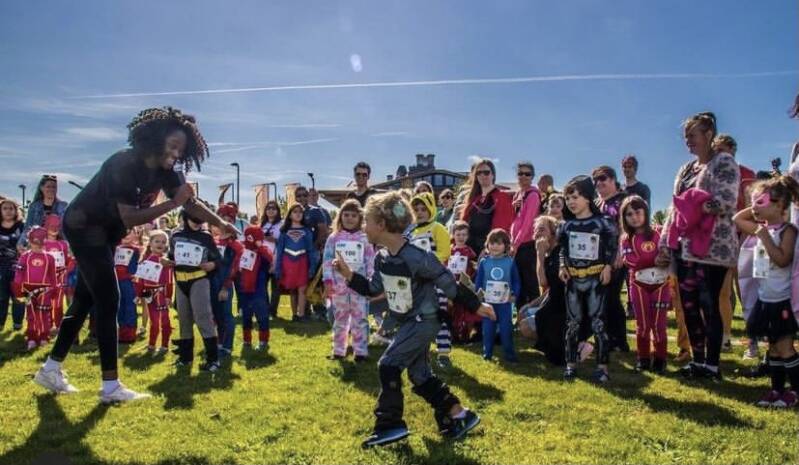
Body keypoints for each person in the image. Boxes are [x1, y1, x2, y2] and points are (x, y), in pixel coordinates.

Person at [34, 106, 237, 403]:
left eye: (182, 149)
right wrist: (173, 204)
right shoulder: (123, 164)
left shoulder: (166, 172)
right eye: (173, 146)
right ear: (155, 139)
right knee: (108, 300)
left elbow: (189, 203)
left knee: (84, 300)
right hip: (84, 227)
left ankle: (50, 369)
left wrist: (220, 223)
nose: (177, 154)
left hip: (105, 234)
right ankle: (110, 386)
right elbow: (131, 218)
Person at [331, 191, 495, 447]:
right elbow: (373, 289)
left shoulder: (417, 256)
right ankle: (459, 415)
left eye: (367, 221)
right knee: (419, 376)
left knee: (388, 364)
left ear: (382, 225)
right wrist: (348, 274)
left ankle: (390, 424)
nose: (364, 226)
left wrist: (476, 304)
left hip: (425, 320)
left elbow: (445, 279)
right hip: (409, 322)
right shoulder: (382, 257)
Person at [657, 111, 740, 381]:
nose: (688, 141)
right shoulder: (685, 169)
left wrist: (696, 207)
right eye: (685, 137)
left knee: (708, 303)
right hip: (685, 247)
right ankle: (698, 359)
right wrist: (665, 243)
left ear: (708, 135)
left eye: (692, 135)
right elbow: (674, 207)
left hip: (712, 247)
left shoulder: (723, 162)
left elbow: (726, 201)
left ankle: (713, 365)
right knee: (688, 304)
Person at [734, 175, 799, 408]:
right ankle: (776, 390)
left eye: (760, 202)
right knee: (772, 348)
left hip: (782, 301)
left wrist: (763, 235)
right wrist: (757, 209)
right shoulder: (761, 228)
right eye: (752, 202)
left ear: (780, 204)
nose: (753, 208)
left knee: (785, 347)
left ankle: (795, 391)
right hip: (765, 300)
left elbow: (783, 259)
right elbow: (737, 218)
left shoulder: (787, 231)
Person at [559, 176, 617, 383]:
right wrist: (561, 266)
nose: (571, 202)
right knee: (572, 324)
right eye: (567, 198)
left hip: (596, 278)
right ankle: (570, 364)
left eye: (575, 197)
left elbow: (612, 247)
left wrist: (609, 266)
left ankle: (602, 367)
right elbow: (563, 250)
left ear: (588, 197)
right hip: (574, 280)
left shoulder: (603, 223)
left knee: (598, 323)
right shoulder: (566, 225)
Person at [620, 196, 671, 373]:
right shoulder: (626, 239)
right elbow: (630, 261)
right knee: (642, 324)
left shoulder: (659, 232)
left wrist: (663, 258)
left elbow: (668, 252)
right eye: (629, 214)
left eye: (638, 212)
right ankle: (642, 358)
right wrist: (654, 260)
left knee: (659, 324)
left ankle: (660, 359)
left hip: (661, 285)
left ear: (646, 212)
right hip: (639, 285)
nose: (634, 217)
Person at [168, 209, 223, 371]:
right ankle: (186, 358)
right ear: (185, 217)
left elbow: (218, 259)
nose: (197, 223)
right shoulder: (175, 235)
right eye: (194, 219)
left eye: (200, 220)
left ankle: (213, 360)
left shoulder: (206, 236)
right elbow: (172, 255)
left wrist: (212, 265)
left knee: (203, 317)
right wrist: (166, 260)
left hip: (199, 279)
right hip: (180, 280)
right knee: (184, 319)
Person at [322, 199, 375, 361]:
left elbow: (370, 260)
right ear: (340, 216)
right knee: (340, 319)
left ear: (360, 218)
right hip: (339, 287)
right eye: (346, 214)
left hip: (359, 287)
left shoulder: (364, 238)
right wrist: (328, 282)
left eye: (353, 215)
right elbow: (327, 260)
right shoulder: (334, 238)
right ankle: (338, 351)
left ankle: (361, 352)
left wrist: (371, 281)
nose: (349, 218)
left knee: (360, 319)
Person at [408, 192, 454, 369]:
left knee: (439, 317)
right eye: (416, 209)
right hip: (418, 284)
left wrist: (426, 266)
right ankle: (421, 351)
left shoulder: (437, 228)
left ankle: (443, 353)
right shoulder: (410, 232)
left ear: (431, 209)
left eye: (423, 209)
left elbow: (444, 253)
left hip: (436, 282)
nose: (420, 213)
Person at [518, 215, 568, 365]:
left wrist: (539, 255)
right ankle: (553, 342)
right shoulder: (549, 253)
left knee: (526, 327)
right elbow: (551, 288)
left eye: (541, 229)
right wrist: (533, 303)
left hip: (562, 309)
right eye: (535, 230)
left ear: (553, 233)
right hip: (554, 301)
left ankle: (571, 345)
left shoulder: (559, 253)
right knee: (523, 312)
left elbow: (543, 281)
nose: (537, 234)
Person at [593, 165, 630, 352]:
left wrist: (621, 252)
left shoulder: (623, 201)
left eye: (603, 179)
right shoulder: (596, 203)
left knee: (611, 298)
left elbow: (625, 228)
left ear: (614, 180)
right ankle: (606, 337)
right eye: (596, 180)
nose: (599, 183)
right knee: (602, 299)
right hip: (597, 258)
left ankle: (620, 341)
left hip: (615, 256)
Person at [475, 228, 521, 362]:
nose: (495, 246)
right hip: (488, 303)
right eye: (492, 243)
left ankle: (510, 355)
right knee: (488, 330)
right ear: (487, 245)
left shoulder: (510, 262)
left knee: (506, 330)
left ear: (506, 246)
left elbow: (516, 281)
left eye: (499, 243)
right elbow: (479, 280)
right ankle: (487, 354)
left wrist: (515, 295)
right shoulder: (484, 262)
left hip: (505, 304)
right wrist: (478, 294)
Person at [14, 226, 57, 350]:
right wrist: (18, 287)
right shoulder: (24, 257)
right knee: (31, 314)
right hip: (28, 289)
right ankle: (32, 337)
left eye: (41, 242)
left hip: (45, 290)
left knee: (43, 314)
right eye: (34, 242)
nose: (37, 246)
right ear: (30, 241)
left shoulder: (50, 258)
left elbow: (52, 275)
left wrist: (54, 288)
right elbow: (19, 273)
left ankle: (44, 336)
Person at [460, 158, 514, 256]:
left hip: (490, 250)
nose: (482, 175)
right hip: (469, 250)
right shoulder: (473, 199)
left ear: (493, 175)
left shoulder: (502, 197)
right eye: (479, 173)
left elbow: (502, 228)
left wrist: (488, 248)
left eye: (486, 172)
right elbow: (463, 225)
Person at [274, 203, 319, 321]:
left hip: (302, 262)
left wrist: (312, 267)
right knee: (292, 290)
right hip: (287, 262)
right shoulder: (284, 231)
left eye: (300, 212)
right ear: (289, 215)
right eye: (295, 211)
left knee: (302, 289)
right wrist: (278, 267)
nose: (298, 214)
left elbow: (311, 250)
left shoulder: (307, 231)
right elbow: (279, 251)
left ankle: (301, 314)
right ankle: (294, 314)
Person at [211, 204, 243, 357]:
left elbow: (234, 269)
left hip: (225, 284)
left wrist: (225, 287)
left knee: (226, 315)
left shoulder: (236, 245)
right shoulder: (213, 242)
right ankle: (217, 343)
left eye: (228, 219)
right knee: (214, 315)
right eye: (221, 219)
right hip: (211, 284)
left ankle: (227, 346)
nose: (224, 223)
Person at [135, 229, 173, 354]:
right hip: (150, 296)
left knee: (166, 321)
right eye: (157, 241)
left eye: (163, 242)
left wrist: (168, 296)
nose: (160, 244)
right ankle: (151, 344)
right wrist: (139, 295)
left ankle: (164, 345)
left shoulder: (165, 262)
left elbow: (169, 282)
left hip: (162, 295)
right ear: (150, 243)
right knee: (155, 322)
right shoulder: (145, 262)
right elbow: (140, 281)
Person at [510, 161, 541, 308]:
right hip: (517, 244)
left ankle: (535, 318)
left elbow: (528, 222)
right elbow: (516, 220)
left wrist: (515, 244)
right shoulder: (518, 194)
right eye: (520, 173)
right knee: (518, 282)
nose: (523, 176)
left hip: (526, 245)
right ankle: (521, 315)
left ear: (532, 176)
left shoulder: (533, 195)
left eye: (527, 174)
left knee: (530, 283)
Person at [237, 226, 273, 351]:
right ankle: (247, 341)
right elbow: (236, 265)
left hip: (259, 290)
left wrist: (259, 246)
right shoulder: (243, 250)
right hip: (244, 289)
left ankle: (263, 341)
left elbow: (270, 258)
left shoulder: (263, 252)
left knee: (262, 316)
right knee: (246, 316)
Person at [448, 221, 479, 343]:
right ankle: (452, 334)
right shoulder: (449, 250)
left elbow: (472, 269)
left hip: (464, 285)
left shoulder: (469, 252)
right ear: (453, 235)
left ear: (467, 236)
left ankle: (464, 335)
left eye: (464, 235)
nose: (461, 237)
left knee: (463, 309)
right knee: (451, 309)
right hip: (451, 284)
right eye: (458, 234)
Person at [20, 174, 68, 248]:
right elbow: (28, 227)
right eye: (48, 187)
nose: (51, 189)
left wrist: (68, 247)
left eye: (54, 187)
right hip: (38, 244)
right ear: (41, 188)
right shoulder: (34, 206)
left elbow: (67, 228)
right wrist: (21, 243)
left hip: (58, 244)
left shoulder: (63, 206)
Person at [42, 214, 70, 333]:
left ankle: (58, 325)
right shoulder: (41, 243)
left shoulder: (63, 244)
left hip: (60, 276)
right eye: (51, 226)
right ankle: (47, 324)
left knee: (58, 303)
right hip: (46, 277)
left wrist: (66, 272)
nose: (54, 229)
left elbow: (67, 260)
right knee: (45, 300)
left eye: (57, 226)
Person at [0, 198, 25, 331]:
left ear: (16, 211)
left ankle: (17, 324)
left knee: (18, 297)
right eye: (5, 208)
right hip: (0, 268)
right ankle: (0, 323)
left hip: (18, 267)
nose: (8, 211)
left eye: (11, 208)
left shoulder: (22, 226)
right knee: (1, 297)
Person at [115, 229, 141, 344]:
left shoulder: (136, 250)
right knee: (119, 306)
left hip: (129, 282)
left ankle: (129, 334)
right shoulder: (115, 248)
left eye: (129, 232)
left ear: (135, 234)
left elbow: (136, 267)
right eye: (123, 231)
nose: (125, 234)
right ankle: (120, 333)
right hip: (116, 281)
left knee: (130, 306)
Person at [260, 200, 283, 317]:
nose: (270, 210)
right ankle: (265, 309)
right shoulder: (262, 224)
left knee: (276, 288)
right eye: (268, 208)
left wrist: (275, 240)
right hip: (263, 259)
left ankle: (272, 311)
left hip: (276, 258)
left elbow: (285, 241)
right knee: (262, 286)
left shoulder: (282, 224)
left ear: (278, 211)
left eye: (273, 208)